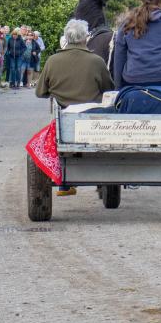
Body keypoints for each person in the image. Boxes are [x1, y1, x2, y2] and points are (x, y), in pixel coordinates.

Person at [31, 19, 114, 196]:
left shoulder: (53, 61)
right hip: (94, 121)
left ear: (67, 38)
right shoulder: (96, 61)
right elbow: (109, 90)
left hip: (64, 121)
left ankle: (63, 181)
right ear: (85, 38)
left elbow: (40, 92)